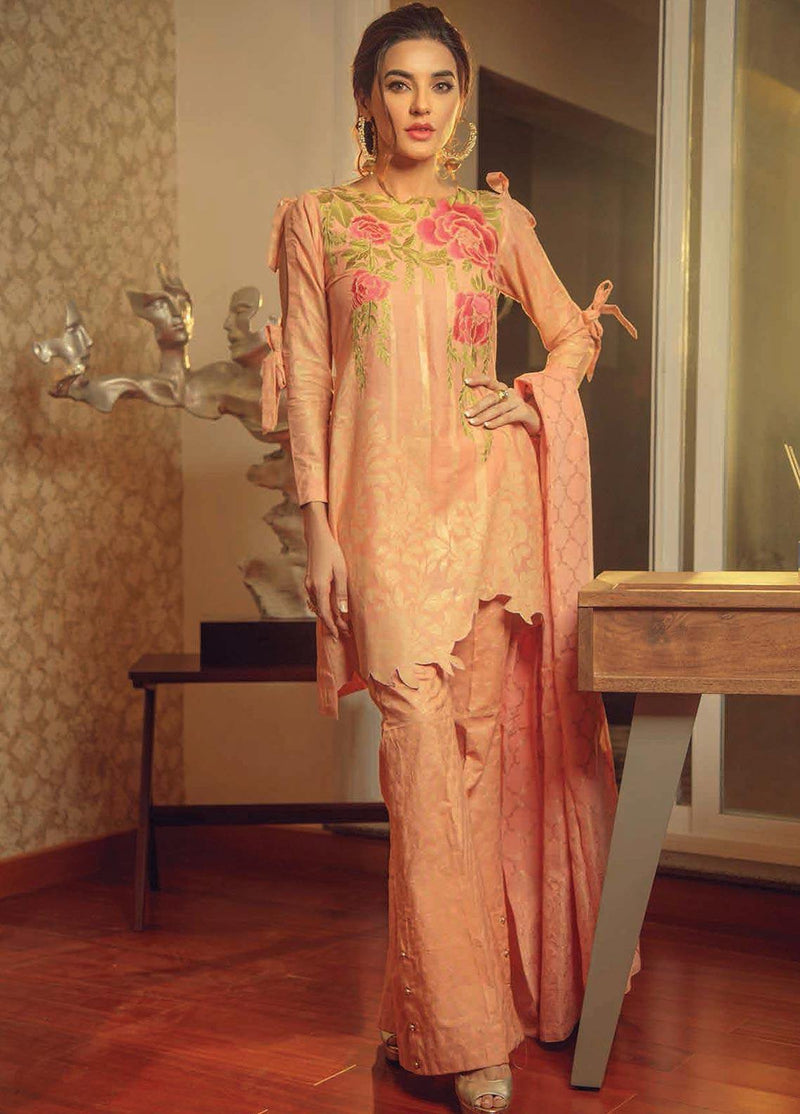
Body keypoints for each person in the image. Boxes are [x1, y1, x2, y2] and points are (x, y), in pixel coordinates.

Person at [263, 5, 641, 1110]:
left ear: (461, 100)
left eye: (439, 84)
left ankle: (430, 1007)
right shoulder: (317, 221)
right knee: (420, 765)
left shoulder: (491, 221)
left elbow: (570, 330)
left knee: (472, 773)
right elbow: (309, 380)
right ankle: (468, 1038)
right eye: (398, 83)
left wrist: (533, 396)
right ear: (365, 99)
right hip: (379, 522)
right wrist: (318, 525)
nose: (420, 104)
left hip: (485, 520)